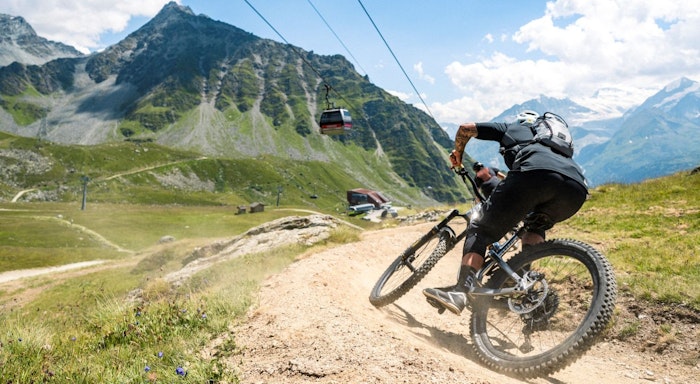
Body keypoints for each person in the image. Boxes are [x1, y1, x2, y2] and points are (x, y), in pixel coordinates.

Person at [423, 110, 589, 315]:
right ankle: (521, 279)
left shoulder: (513, 128)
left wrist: (458, 154)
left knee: (481, 228)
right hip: (575, 189)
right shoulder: (556, 143)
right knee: (534, 226)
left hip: (533, 175)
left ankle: (461, 291)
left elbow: (465, 129)